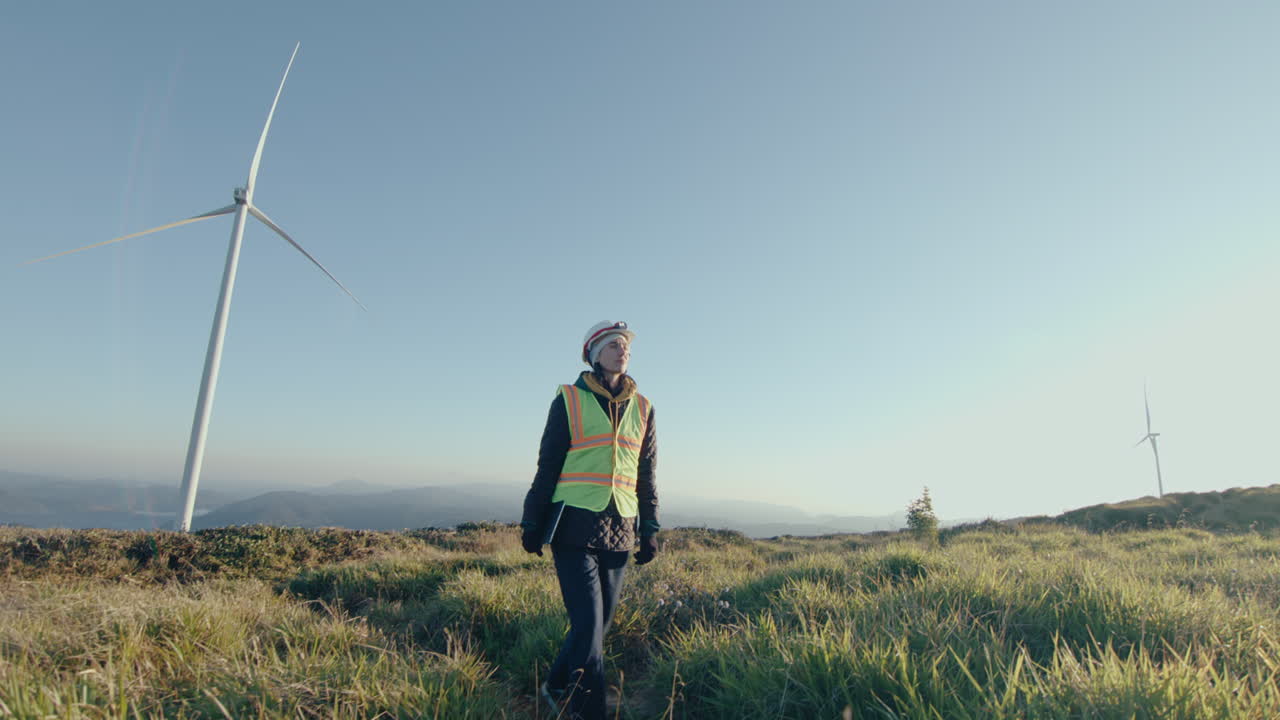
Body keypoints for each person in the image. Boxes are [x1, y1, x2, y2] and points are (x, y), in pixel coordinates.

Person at [521, 320, 659, 720]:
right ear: (594, 353)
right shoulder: (568, 399)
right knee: (587, 627)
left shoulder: (644, 407)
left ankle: (555, 685)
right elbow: (548, 465)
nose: (623, 351)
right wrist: (533, 522)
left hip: (621, 527)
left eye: (627, 346)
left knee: (599, 624)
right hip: (572, 524)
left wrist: (649, 529)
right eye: (614, 344)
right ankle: (588, 711)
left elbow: (646, 474)